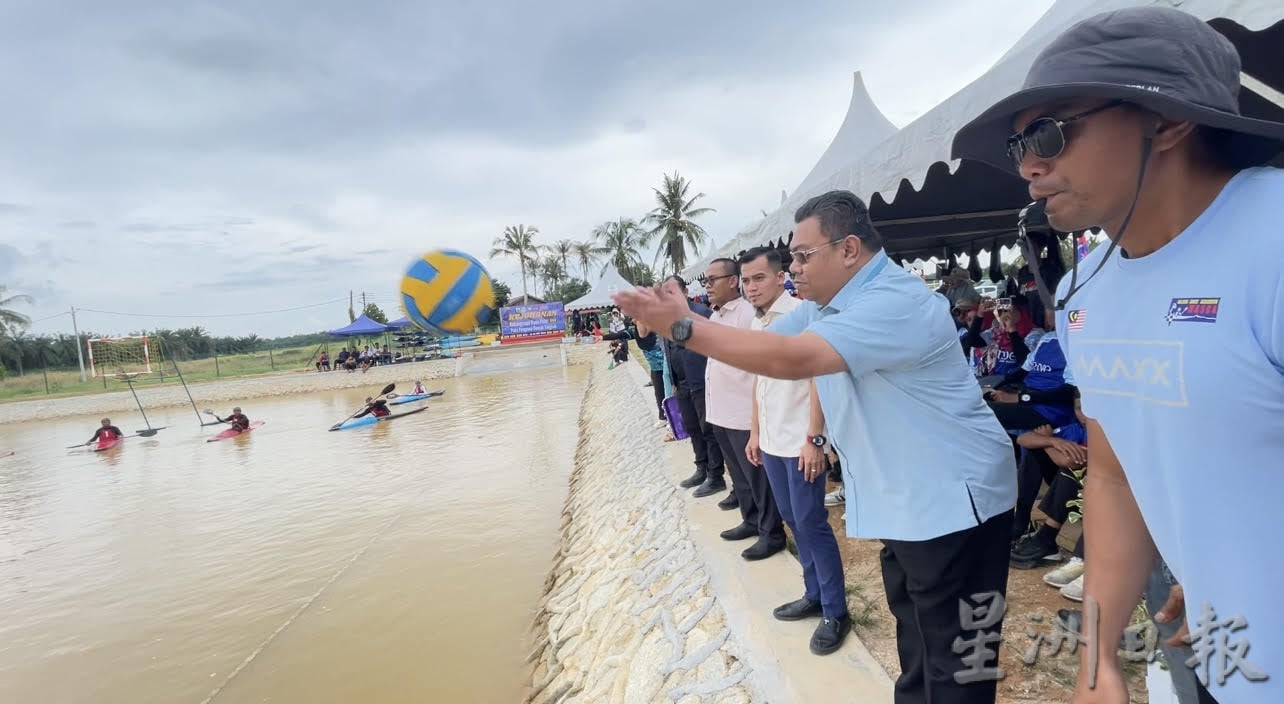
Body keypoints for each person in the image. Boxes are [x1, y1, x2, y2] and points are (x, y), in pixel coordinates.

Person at [952, 7, 1284, 703]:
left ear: (1167, 122)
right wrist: (1099, 654)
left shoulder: (1271, 244)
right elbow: (1114, 477)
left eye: (1049, 133)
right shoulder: (1084, 289)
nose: (1031, 166)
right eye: (1018, 148)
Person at [613, 190, 1017, 703]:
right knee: (916, 633)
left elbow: (790, 358)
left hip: (955, 503)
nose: (794, 269)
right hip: (908, 500)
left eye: (803, 257)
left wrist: (684, 325)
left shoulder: (896, 302)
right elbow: (767, 344)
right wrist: (681, 319)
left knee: (959, 660)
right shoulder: (831, 307)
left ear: (849, 249)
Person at [740, 245, 849, 655]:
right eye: (746, 281)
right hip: (770, 442)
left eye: (759, 278)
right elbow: (758, 382)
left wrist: (815, 439)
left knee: (811, 521)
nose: (752, 287)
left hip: (801, 442)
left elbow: (818, 379)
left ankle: (836, 610)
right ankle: (813, 593)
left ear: (780, 276)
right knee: (791, 518)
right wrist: (754, 433)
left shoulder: (801, 316)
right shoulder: (759, 324)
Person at [701, 256, 785, 561]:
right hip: (720, 410)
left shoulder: (747, 314)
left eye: (713, 280)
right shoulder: (715, 317)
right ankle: (750, 520)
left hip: (742, 412)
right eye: (705, 281)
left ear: (732, 281)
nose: (707, 286)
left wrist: (756, 420)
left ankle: (771, 533)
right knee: (739, 475)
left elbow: (758, 371)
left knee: (758, 479)